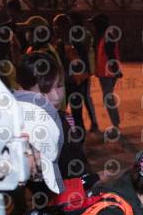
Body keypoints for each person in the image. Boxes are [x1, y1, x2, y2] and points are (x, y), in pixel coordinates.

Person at [14, 52, 103, 201]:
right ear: (23, 91)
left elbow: (77, 165)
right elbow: (44, 185)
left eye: (59, 86)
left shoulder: (63, 118)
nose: (56, 97)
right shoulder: (26, 131)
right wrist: (93, 180)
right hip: (62, 207)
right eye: (45, 91)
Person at [89, 13, 121, 133]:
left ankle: (116, 125)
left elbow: (111, 55)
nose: (93, 27)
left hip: (108, 74)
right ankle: (116, 124)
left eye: (94, 25)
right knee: (108, 98)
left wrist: (116, 71)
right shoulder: (105, 36)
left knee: (108, 99)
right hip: (106, 73)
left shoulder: (108, 36)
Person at [68, 11, 99, 133]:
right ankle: (79, 125)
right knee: (80, 98)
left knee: (85, 96)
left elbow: (84, 52)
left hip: (83, 71)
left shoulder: (84, 35)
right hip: (77, 71)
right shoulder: (75, 34)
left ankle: (93, 122)